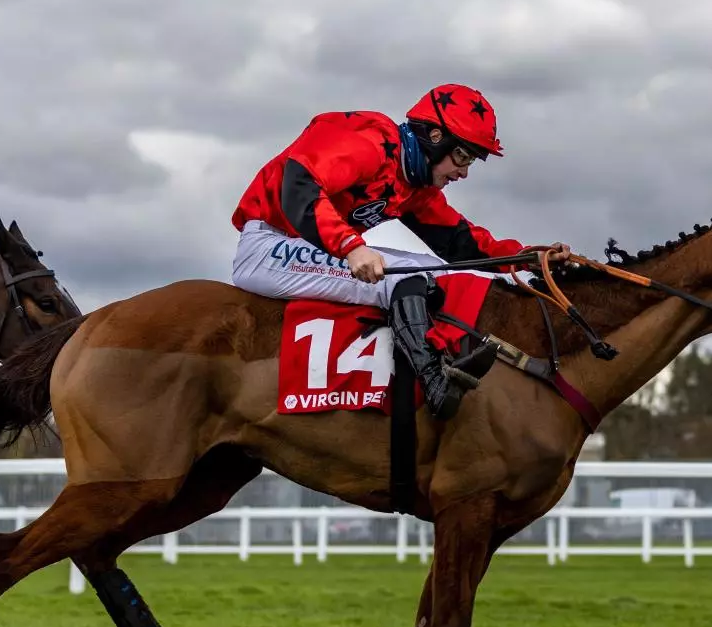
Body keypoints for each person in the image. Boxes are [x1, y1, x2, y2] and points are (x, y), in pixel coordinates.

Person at [229, 83, 571, 421]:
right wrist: (350, 247)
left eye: (471, 161)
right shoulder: (369, 142)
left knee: (435, 270)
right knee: (405, 275)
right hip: (266, 247)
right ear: (435, 137)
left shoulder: (413, 187)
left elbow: (462, 243)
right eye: (462, 156)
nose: (464, 172)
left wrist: (527, 258)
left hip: (301, 250)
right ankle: (434, 384)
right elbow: (299, 183)